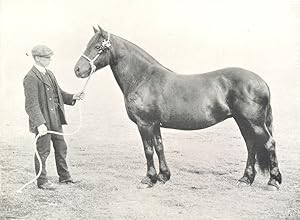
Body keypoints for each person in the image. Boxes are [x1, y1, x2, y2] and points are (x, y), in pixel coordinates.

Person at [23, 45, 85, 190]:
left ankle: (64, 177)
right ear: (37, 58)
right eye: (47, 57)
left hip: (55, 119)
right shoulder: (30, 77)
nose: (50, 59)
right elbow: (31, 105)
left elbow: (59, 93)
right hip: (43, 122)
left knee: (61, 147)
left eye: (50, 57)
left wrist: (73, 97)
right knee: (43, 151)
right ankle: (42, 181)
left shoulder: (50, 74)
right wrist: (40, 124)